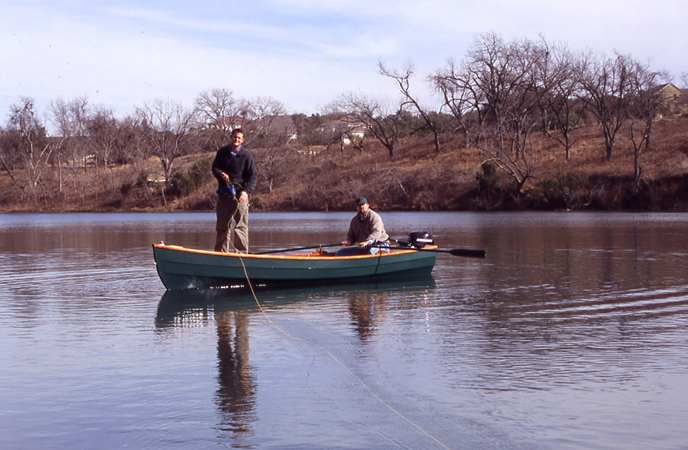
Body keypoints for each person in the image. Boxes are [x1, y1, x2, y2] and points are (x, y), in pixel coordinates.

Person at [212, 128, 257, 253]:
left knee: (241, 226)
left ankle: (241, 253)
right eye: (234, 137)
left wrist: (246, 192)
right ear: (231, 137)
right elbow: (214, 168)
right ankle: (221, 252)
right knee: (222, 226)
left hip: (240, 195)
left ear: (242, 140)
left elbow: (253, 176)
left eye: (239, 138)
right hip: (224, 194)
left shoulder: (247, 156)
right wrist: (221, 174)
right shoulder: (222, 152)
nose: (236, 140)